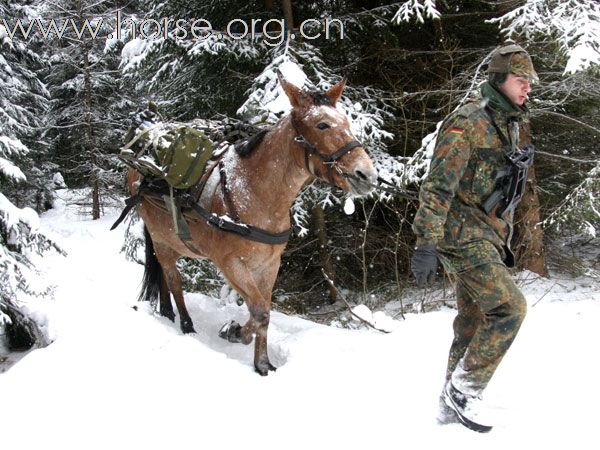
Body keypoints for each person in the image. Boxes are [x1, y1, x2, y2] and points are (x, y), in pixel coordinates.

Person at [410, 43, 538, 433]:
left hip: (488, 235)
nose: (527, 88)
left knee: (472, 320)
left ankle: (448, 416)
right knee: (510, 308)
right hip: (462, 236)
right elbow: (437, 187)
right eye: (521, 80)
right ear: (498, 80)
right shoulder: (467, 121)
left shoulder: (508, 123)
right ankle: (464, 391)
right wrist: (425, 243)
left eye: (529, 82)